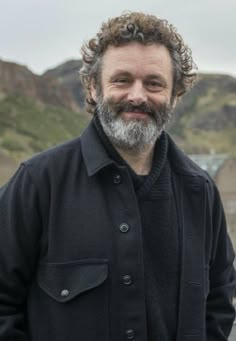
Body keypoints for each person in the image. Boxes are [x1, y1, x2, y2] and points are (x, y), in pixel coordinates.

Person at [0, 11, 235, 341]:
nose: (137, 95)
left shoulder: (201, 194)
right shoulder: (37, 185)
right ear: (94, 87)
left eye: (154, 83)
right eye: (122, 80)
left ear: (175, 96)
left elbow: (219, 306)